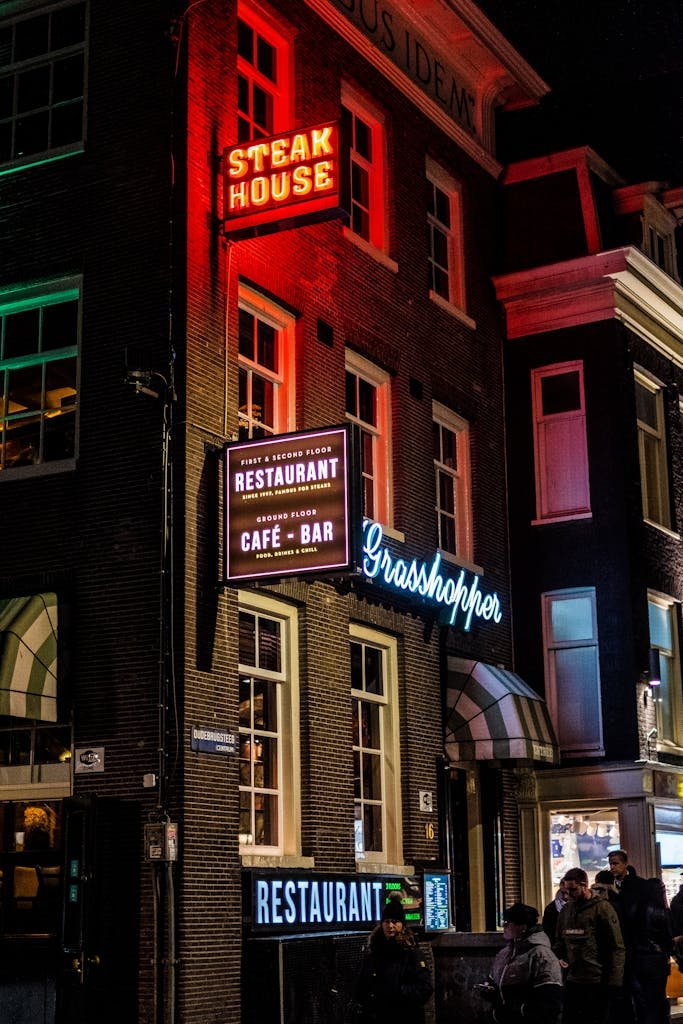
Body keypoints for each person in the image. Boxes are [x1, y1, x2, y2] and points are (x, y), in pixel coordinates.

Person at [554, 867, 625, 1024]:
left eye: (573, 890)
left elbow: (616, 947)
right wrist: (560, 957)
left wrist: (615, 982)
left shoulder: (602, 908)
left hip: (596, 979)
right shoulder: (567, 910)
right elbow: (559, 940)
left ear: (584, 885)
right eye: (566, 891)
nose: (569, 895)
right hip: (573, 978)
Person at [608, 851, 672, 1024]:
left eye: (615, 863)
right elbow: (665, 933)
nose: (612, 867)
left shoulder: (631, 900)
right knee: (654, 1002)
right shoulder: (657, 910)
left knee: (643, 1002)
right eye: (611, 864)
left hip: (638, 958)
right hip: (652, 959)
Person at [353, 896, 433, 1024]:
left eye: (395, 921)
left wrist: (397, 991)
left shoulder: (412, 953)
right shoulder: (374, 952)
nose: (390, 926)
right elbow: (362, 987)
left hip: (405, 1016)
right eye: (387, 921)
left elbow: (425, 988)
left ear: (402, 924)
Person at [479, 902, 562, 1023]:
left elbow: (549, 998)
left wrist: (521, 1011)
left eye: (508, 923)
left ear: (522, 927)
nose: (504, 926)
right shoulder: (505, 953)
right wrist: (490, 990)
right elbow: (495, 981)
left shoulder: (541, 954)